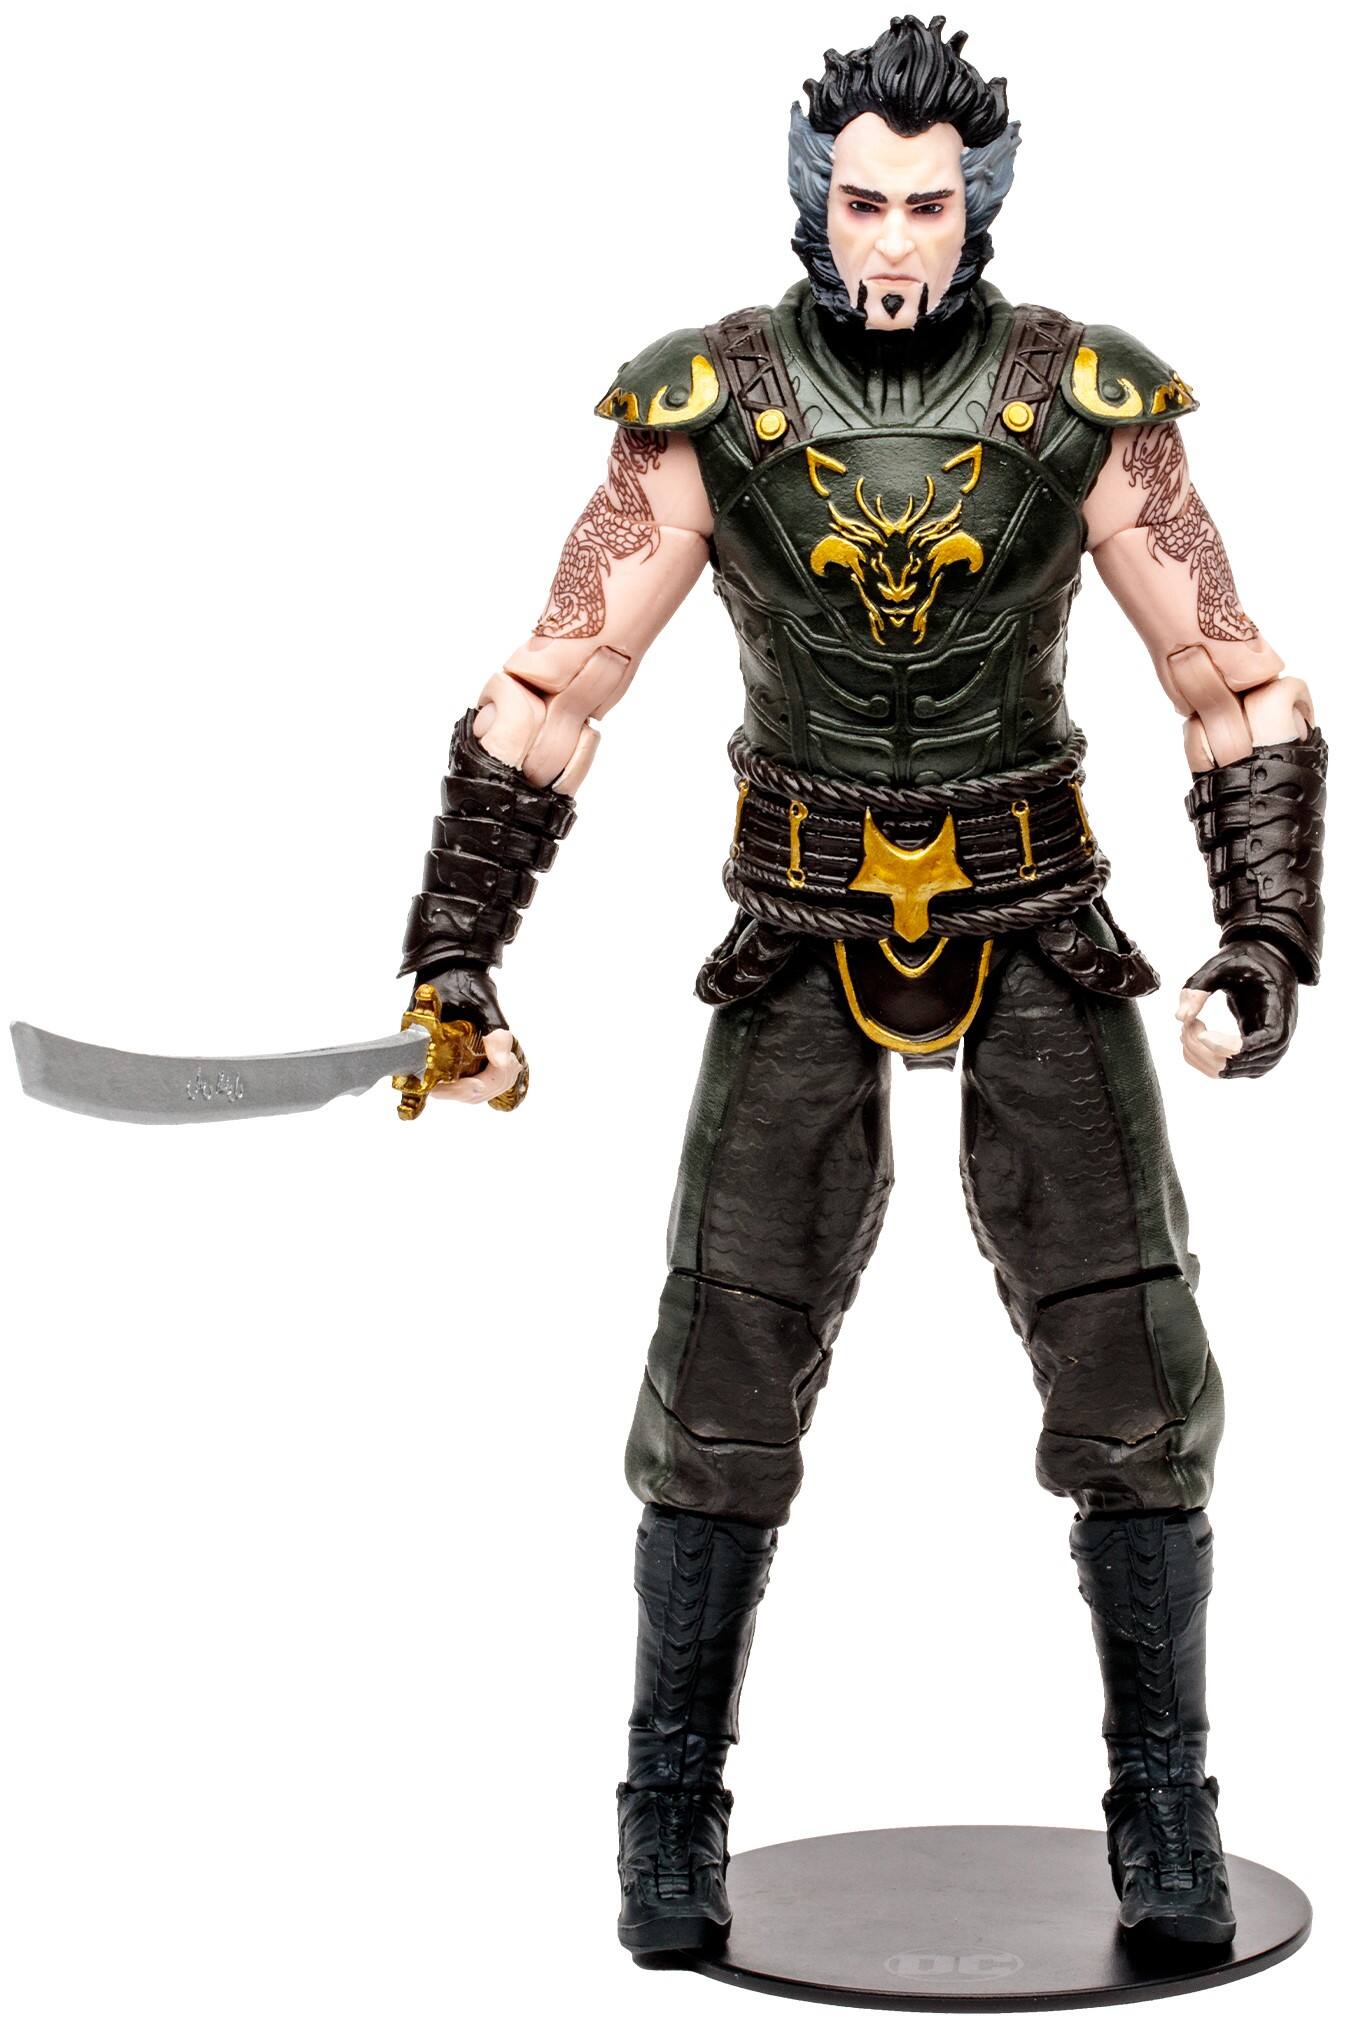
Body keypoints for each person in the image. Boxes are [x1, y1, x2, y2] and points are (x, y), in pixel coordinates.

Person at [397, 14, 1325, 1959]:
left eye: (925, 204)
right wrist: (455, 950)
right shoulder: (706, 404)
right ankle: (668, 1809)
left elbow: (1233, 681)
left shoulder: (1080, 397)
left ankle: (1164, 1805)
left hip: (1035, 907)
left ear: (976, 206)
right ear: (811, 201)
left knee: (1132, 1366)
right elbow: (556, 683)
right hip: (799, 921)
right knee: (721, 1367)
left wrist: (1266, 933)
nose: (892, 239)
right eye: (861, 201)